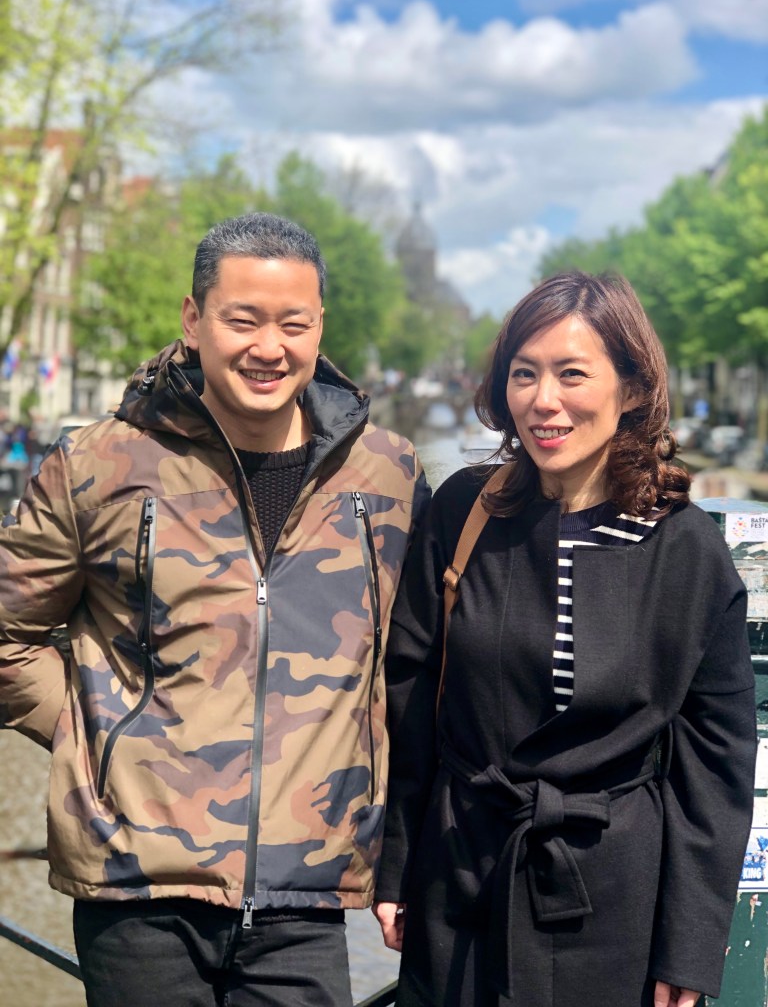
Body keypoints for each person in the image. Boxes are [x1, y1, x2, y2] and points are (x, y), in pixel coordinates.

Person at [0, 211, 429, 1006]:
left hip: (309, 892)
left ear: (319, 326)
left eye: (293, 324)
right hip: (138, 889)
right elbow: (6, 635)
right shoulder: (99, 464)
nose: (270, 347)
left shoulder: (388, 474)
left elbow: (414, 664)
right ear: (194, 321)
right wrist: (95, 735)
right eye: (243, 320)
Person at [374, 271, 756, 1007]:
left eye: (571, 374)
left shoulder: (684, 549)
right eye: (524, 373)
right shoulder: (464, 511)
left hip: (612, 904)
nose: (543, 400)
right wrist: (399, 865)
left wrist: (690, 942)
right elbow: (412, 700)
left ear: (633, 388)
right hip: (461, 879)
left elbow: (716, 761)